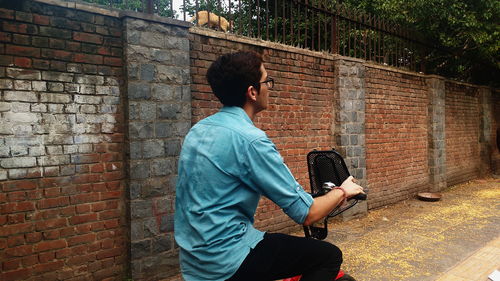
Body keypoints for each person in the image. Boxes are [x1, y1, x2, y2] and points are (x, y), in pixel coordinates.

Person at [174, 51, 365, 281]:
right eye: (267, 82)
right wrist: (343, 191)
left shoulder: (199, 130)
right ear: (252, 92)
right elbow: (307, 213)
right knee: (329, 256)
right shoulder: (251, 140)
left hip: (194, 259)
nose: (269, 87)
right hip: (227, 260)